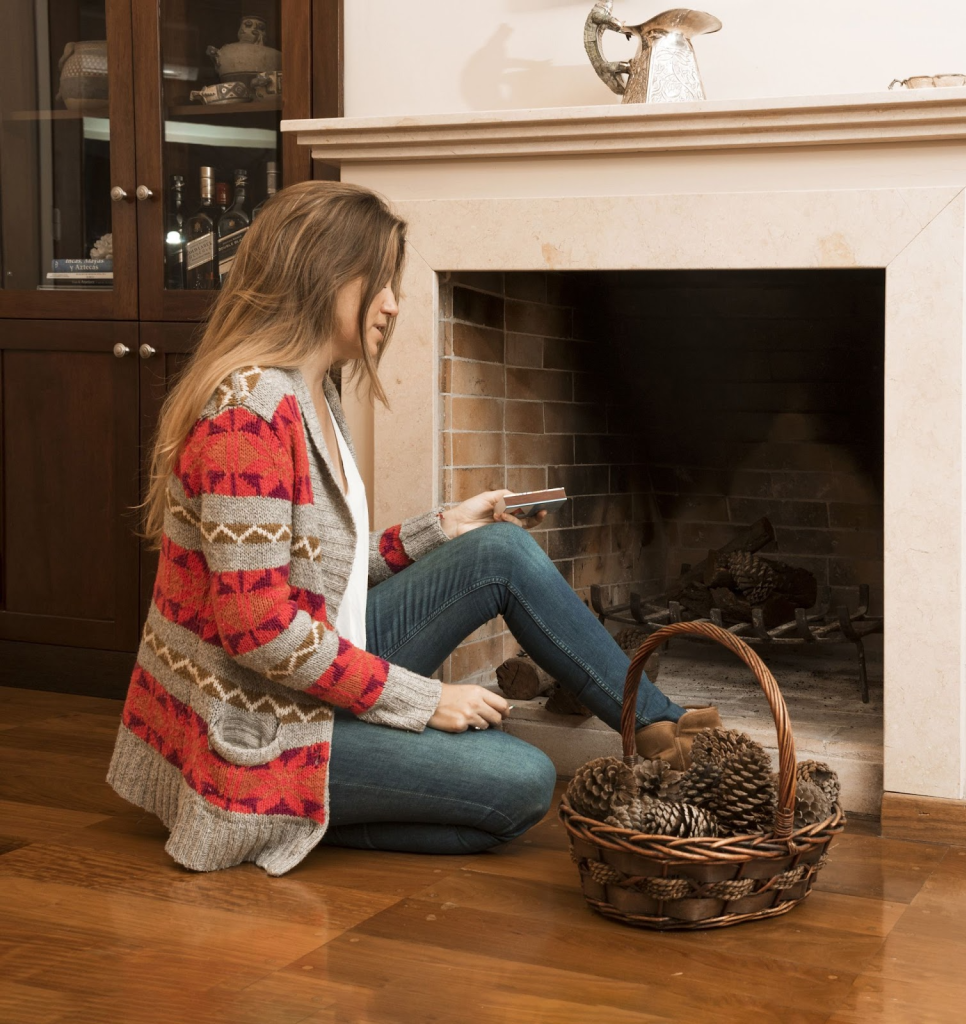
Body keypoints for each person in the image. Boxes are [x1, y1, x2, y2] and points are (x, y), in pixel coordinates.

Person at [106, 181, 721, 876]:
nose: (394, 303)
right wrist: (424, 700)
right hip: (259, 724)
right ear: (322, 274)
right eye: (380, 281)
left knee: (500, 550)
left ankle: (658, 729)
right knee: (525, 783)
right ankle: (273, 818)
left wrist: (445, 527)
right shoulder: (246, 416)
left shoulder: (313, 389)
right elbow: (260, 629)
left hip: (310, 678)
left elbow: (318, 574)